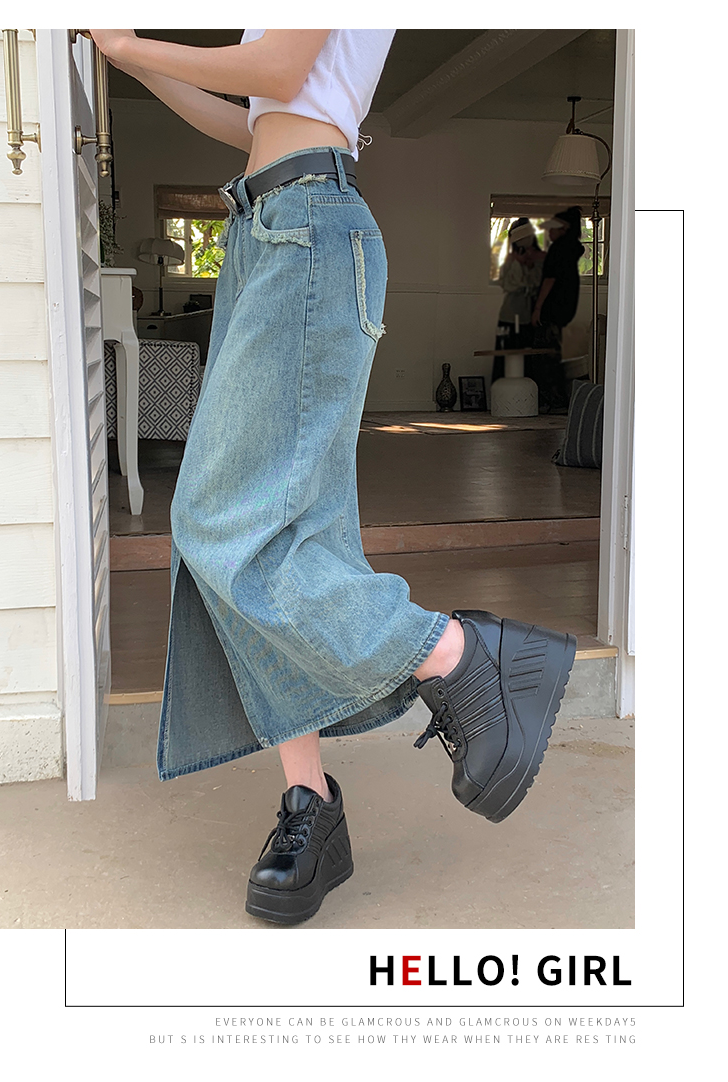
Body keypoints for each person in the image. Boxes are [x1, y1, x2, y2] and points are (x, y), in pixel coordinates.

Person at [90, 29, 577, 926]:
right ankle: (310, 801)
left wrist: (129, 37)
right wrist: (133, 61)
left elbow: (276, 71)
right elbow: (256, 116)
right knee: (288, 531)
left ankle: (456, 653)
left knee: (219, 523)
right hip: (266, 228)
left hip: (305, 228)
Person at [530, 207, 586, 411]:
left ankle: (553, 400)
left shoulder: (558, 249)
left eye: (553, 228)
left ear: (563, 228)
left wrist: (538, 308)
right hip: (565, 308)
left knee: (545, 355)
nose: (549, 232)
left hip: (552, 309)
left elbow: (550, 279)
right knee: (552, 352)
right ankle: (556, 399)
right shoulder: (572, 248)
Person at [491, 218, 545, 384]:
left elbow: (538, 283)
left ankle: (529, 394)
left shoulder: (539, 260)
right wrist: (517, 263)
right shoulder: (510, 260)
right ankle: (501, 393)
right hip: (509, 314)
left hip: (530, 317)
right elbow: (507, 285)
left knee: (529, 359)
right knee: (504, 356)